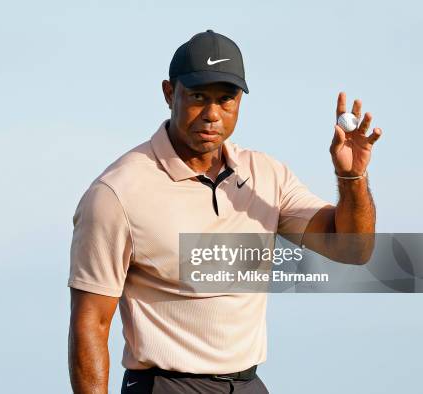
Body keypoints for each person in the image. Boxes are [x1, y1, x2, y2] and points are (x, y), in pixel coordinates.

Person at [67, 30, 382, 394]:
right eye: (198, 96)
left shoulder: (267, 175)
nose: (212, 114)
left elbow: (354, 249)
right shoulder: (116, 193)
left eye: (225, 99)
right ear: (170, 93)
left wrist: (352, 176)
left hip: (248, 384)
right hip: (166, 387)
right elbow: (90, 323)